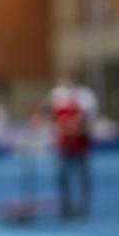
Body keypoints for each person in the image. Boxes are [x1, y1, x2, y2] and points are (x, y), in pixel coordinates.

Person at [42, 72, 99, 219]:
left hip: (81, 142)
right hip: (64, 142)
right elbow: (48, 112)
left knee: (83, 174)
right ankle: (66, 204)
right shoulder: (56, 94)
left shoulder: (85, 95)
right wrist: (56, 127)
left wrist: (81, 127)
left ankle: (84, 206)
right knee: (62, 175)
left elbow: (91, 116)